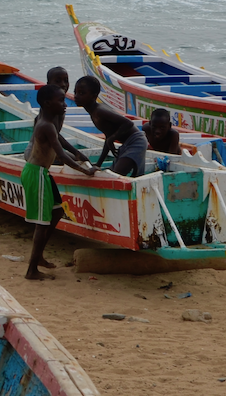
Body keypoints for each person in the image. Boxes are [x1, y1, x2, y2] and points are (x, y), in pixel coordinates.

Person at [23, 84, 96, 280]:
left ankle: (38, 257)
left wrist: (77, 152)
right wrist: (85, 170)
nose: (65, 104)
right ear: (47, 103)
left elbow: (59, 140)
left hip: (41, 173)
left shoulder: (49, 121)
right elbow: (61, 155)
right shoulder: (45, 124)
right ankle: (31, 270)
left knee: (57, 211)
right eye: (61, 101)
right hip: (36, 173)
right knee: (42, 222)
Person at [74, 76, 148, 177]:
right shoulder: (93, 114)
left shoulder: (99, 111)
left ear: (93, 96)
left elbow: (128, 123)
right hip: (126, 144)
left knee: (116, 175)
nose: (76, 96)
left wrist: (111, 139)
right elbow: (108, 137)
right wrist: (98, 164)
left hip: (136, 141)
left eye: (82, 93)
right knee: (113, 174)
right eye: (75, 92)